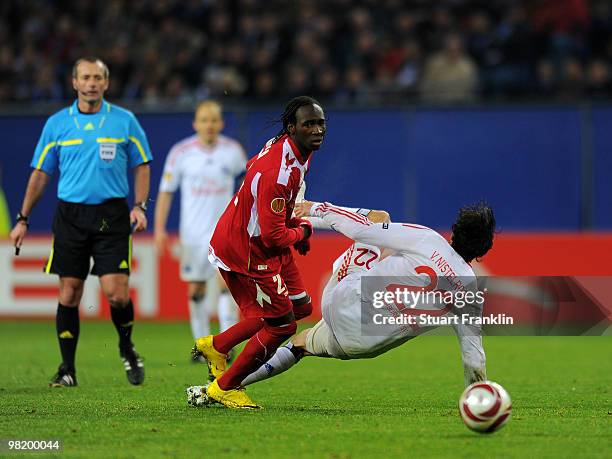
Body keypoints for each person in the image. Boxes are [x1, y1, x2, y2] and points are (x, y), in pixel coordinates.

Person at [188, 200, 496, 407]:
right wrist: (477, 395)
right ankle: (220, 389)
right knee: (300, 345)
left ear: (453, 232)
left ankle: (300, 214)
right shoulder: (469, 290)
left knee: (378, 221)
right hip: (360, 343)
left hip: (341, 298)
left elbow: (362, 229)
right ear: (483, 251)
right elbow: (473, 358)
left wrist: (319, 208)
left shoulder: (429, 239)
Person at [9, 57, 153, 387]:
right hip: (71, 216)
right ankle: (67, 369)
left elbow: (142, 163)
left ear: (106, 83)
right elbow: (41, 173)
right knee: (70, 291)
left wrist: (140, 206)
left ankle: (126, 347)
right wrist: (23, 219)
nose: (91, 83)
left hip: (112, 216)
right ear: (74, 82)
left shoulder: (124, 121)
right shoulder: (57, 124)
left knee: (116, 294)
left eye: (97, 77)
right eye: (85, 77)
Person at [192, 96, 326, 409]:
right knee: (282, 325)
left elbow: (254, 167)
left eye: (321, 123)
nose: (317, 130)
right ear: (292, 128)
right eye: (309, 124)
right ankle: (225, 387)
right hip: (250, 249)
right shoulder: (279, 173)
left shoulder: (293, 149)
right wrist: (303, 230)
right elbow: (273, 235)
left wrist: (291, 220)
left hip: (257, 240)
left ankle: (217, 345)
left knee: (300, 307)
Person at [154, 100, 246, 350]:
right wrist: (160, 228)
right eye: (204, 120)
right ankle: (202, 345)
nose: (209, 125)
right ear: (196, 123)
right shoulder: (181, 153)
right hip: (193, 234)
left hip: (224, 232)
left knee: (227, 283)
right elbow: (165, 191)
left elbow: (247, 188)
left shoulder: (233, 151)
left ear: (221, 123)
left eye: (214, 120)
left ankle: (226, 343)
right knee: (197, 289)